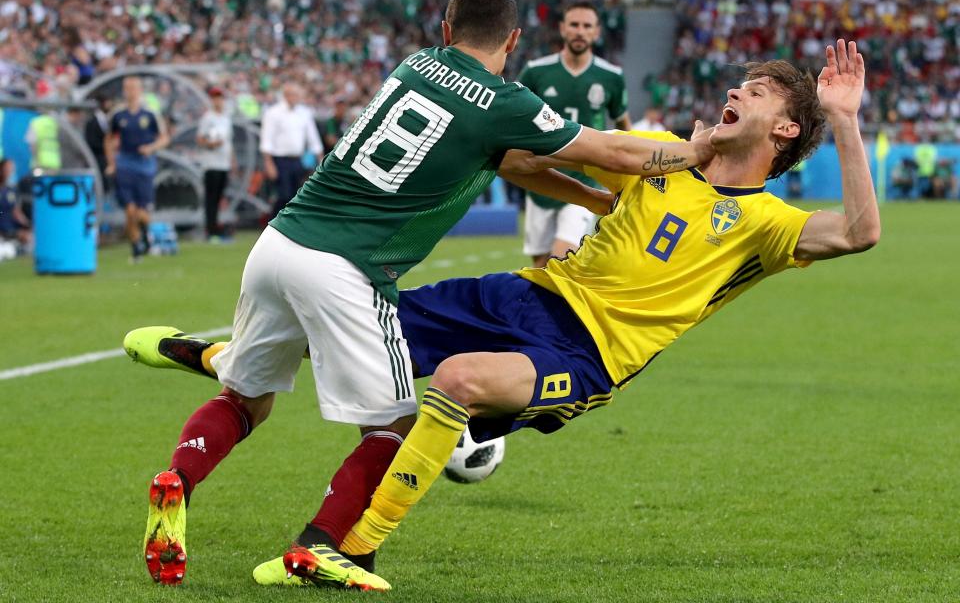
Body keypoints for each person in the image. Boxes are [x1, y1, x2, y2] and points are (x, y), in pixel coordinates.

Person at [137, 40, 879, 587]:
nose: (739, 93)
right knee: (351, 321)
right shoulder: (660, 153)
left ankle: (351, 545)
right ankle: (222, 357)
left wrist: (843, 119)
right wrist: (598, 196)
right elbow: (523, 161)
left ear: (784, 132)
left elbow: (857, 232)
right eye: (742, 84)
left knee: (455, 381)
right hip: (519, 295)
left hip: (585, 353)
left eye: (759, 93)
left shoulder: (767, 224)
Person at [517, 1, 631, 267]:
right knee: (541, 266)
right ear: (562, 29)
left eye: (587, 26)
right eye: (574, 25)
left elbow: (624, 123)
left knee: (562, 257)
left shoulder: (611, 76)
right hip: (541, 178)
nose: (580, 31)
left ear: (596, 32)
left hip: (586, 179)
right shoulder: (535, 72)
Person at [105, 76, 170, 262]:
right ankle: (136, 248)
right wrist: (111, 163)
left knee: (142, 213)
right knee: (130, 210)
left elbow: (164, 138)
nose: (130, 91)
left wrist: (150, 148)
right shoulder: (118, 115)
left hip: (145, 166)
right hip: (125, 164)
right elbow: (109, 139)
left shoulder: (150, 114)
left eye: (134, 87)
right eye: (127, 88)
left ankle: (145, 232)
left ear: (140, 90)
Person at [258, 83, 323, 217]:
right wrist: (268, 162)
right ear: (286, 95)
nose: (297, 98)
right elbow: (267, 139)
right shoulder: (273, 113)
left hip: (297, 160)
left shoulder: (304, 113)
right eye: (294, 95)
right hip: (280, 160)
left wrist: (320, 157)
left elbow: (313, 138)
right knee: (284, 195)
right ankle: (273, 225)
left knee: (295, 195)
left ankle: (287, 229)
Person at [196, 86, 234, 241]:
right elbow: (200, 139)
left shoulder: (226, 118)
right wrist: (210, 144)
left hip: (223, 163)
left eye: (220, 97)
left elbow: (228, 142)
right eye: (215, 98)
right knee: (211, 199)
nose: (218, 101)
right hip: (211, 164)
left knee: (218, 198)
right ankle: (210, 230)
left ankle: (216, 227)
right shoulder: (208, 118)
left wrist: (232, 160)